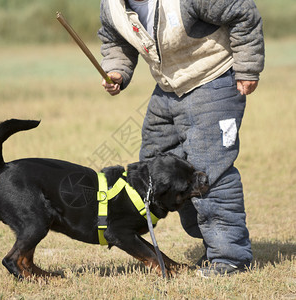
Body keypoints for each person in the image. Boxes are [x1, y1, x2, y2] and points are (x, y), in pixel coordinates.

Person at [98, 0, 264, 277]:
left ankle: (230, 257)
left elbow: (242, 11)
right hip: (168, 88)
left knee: (209, 172)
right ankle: (212, 245)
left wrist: (247, 67)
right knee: (156, 168)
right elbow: (115, 39)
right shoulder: (111, 5)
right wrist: (117, 70)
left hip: (215, 79)